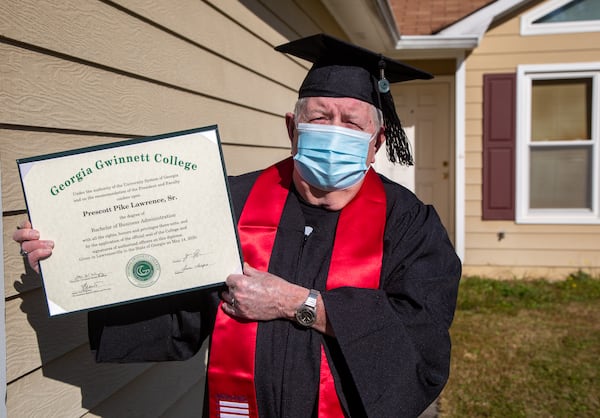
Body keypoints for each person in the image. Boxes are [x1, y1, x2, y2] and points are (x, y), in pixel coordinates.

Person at [14, 34, 461, 418]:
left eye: (351, 122)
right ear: (293, 127)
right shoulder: (230, 201)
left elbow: (418, 337)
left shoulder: (409, 224)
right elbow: (174, 305)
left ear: (377, 141)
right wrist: (74, 255)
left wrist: (298, 303)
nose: (334, 131)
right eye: (321, 117)